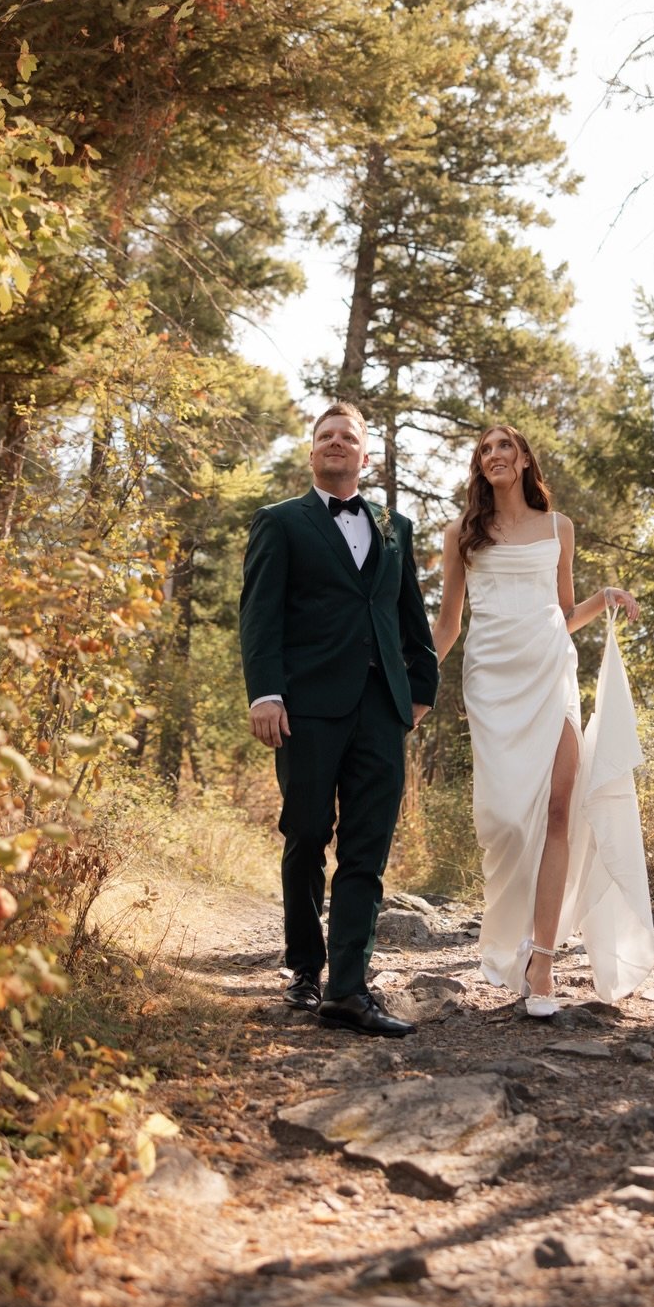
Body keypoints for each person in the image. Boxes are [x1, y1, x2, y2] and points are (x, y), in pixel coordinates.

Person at [432, 424, 654, 1018]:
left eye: (505, 446)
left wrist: (602, 597)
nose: (495, 455)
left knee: (560, 811)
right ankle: (508, 937)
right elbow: (449, 624)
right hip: (492, 682)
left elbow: (561, 614)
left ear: (525, 458)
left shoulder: (560, 528)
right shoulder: (463, 534)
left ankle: (543, 962)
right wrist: (413, 685)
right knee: (506, 821)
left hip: (551, 675)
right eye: (485, 450)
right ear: (479, 467)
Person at [240, 402, 438, 1038]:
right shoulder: (279, 523)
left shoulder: (393, 526)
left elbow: (409, 613)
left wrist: (422, 687)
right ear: (312, 452)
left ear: (365, 456)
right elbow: (260, 616)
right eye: (325, 436)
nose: (335, 443)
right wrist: (265, 693)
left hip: (382, 711)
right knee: (305, 835)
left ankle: (348, 989)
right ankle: (304, 964)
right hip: (305, 709)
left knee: (367, 847)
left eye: (346, 437)